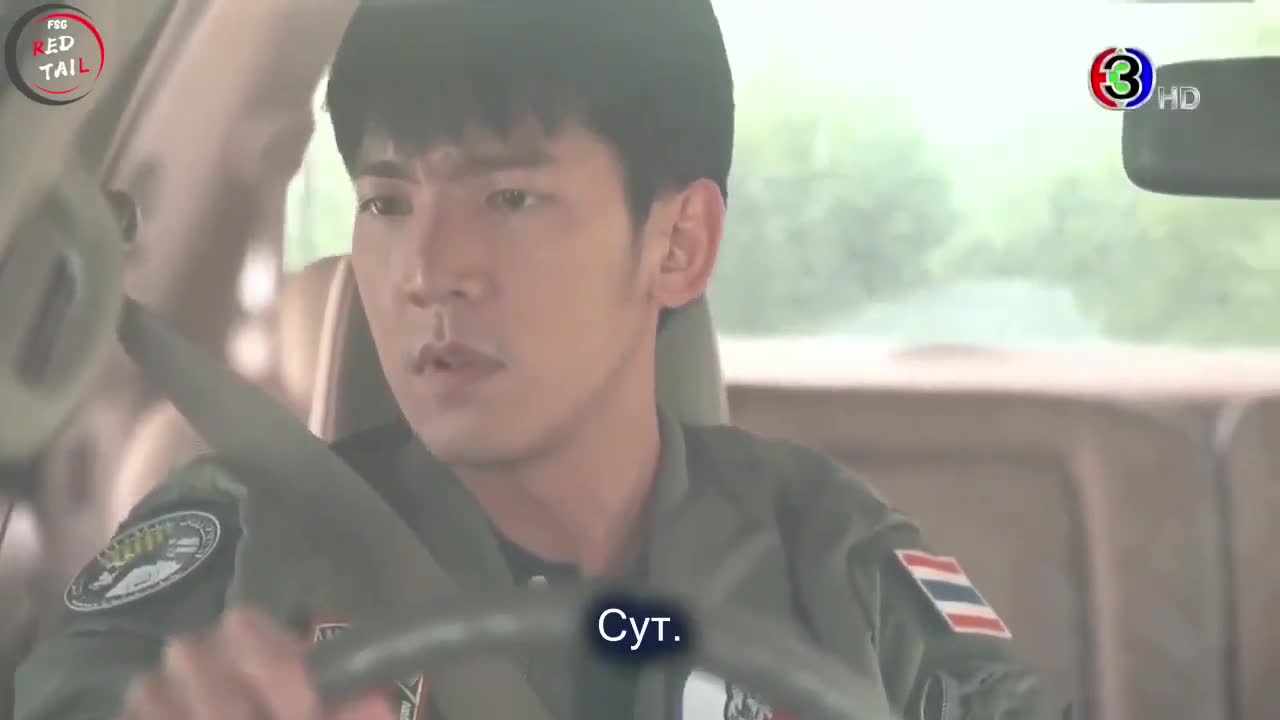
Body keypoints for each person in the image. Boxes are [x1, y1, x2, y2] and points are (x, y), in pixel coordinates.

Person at [14, 1, 1066, 719]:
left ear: (677, 243)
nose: (428, 272)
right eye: (387, 203)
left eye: (510, 197)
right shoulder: (236, 537)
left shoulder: (831, 555)